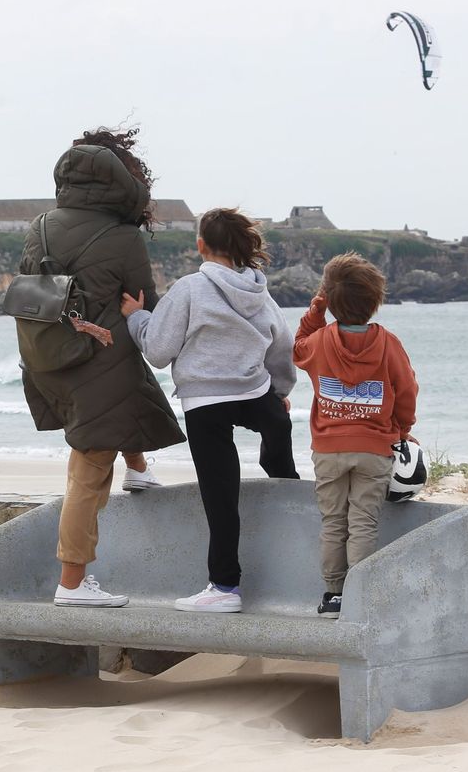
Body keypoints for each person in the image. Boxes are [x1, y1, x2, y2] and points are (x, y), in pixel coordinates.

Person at [19, 128, 185, 608]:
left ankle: (137, 466)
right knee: (89, 471)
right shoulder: (124, 237)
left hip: (48, 355)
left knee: (128, 391)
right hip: (99, 355)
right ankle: (72, 583)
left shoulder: (40, 225)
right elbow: (142, 304)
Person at [120, 208, 298, 613]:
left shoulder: (189, 288)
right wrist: (281, 391)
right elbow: (281, 347)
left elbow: (159, 351)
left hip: (205, 404)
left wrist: (137, 318)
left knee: (221, 500)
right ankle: (288, 488)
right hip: (255, 391)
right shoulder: (260, 292)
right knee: (279, 436)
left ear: (200, 245)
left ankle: (224, 589)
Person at [292, 253, 418, 618]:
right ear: (376, 301)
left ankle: (333, 594)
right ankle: (358, 594)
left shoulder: (319, 341)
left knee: (334, 522)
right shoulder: (388, 343)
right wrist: (403, 431)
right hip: (374, 449)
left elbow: (297, 346)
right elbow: (407, 390)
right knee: (363, 521)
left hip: (329, 449)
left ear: (329, 300)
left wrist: (315, 312)